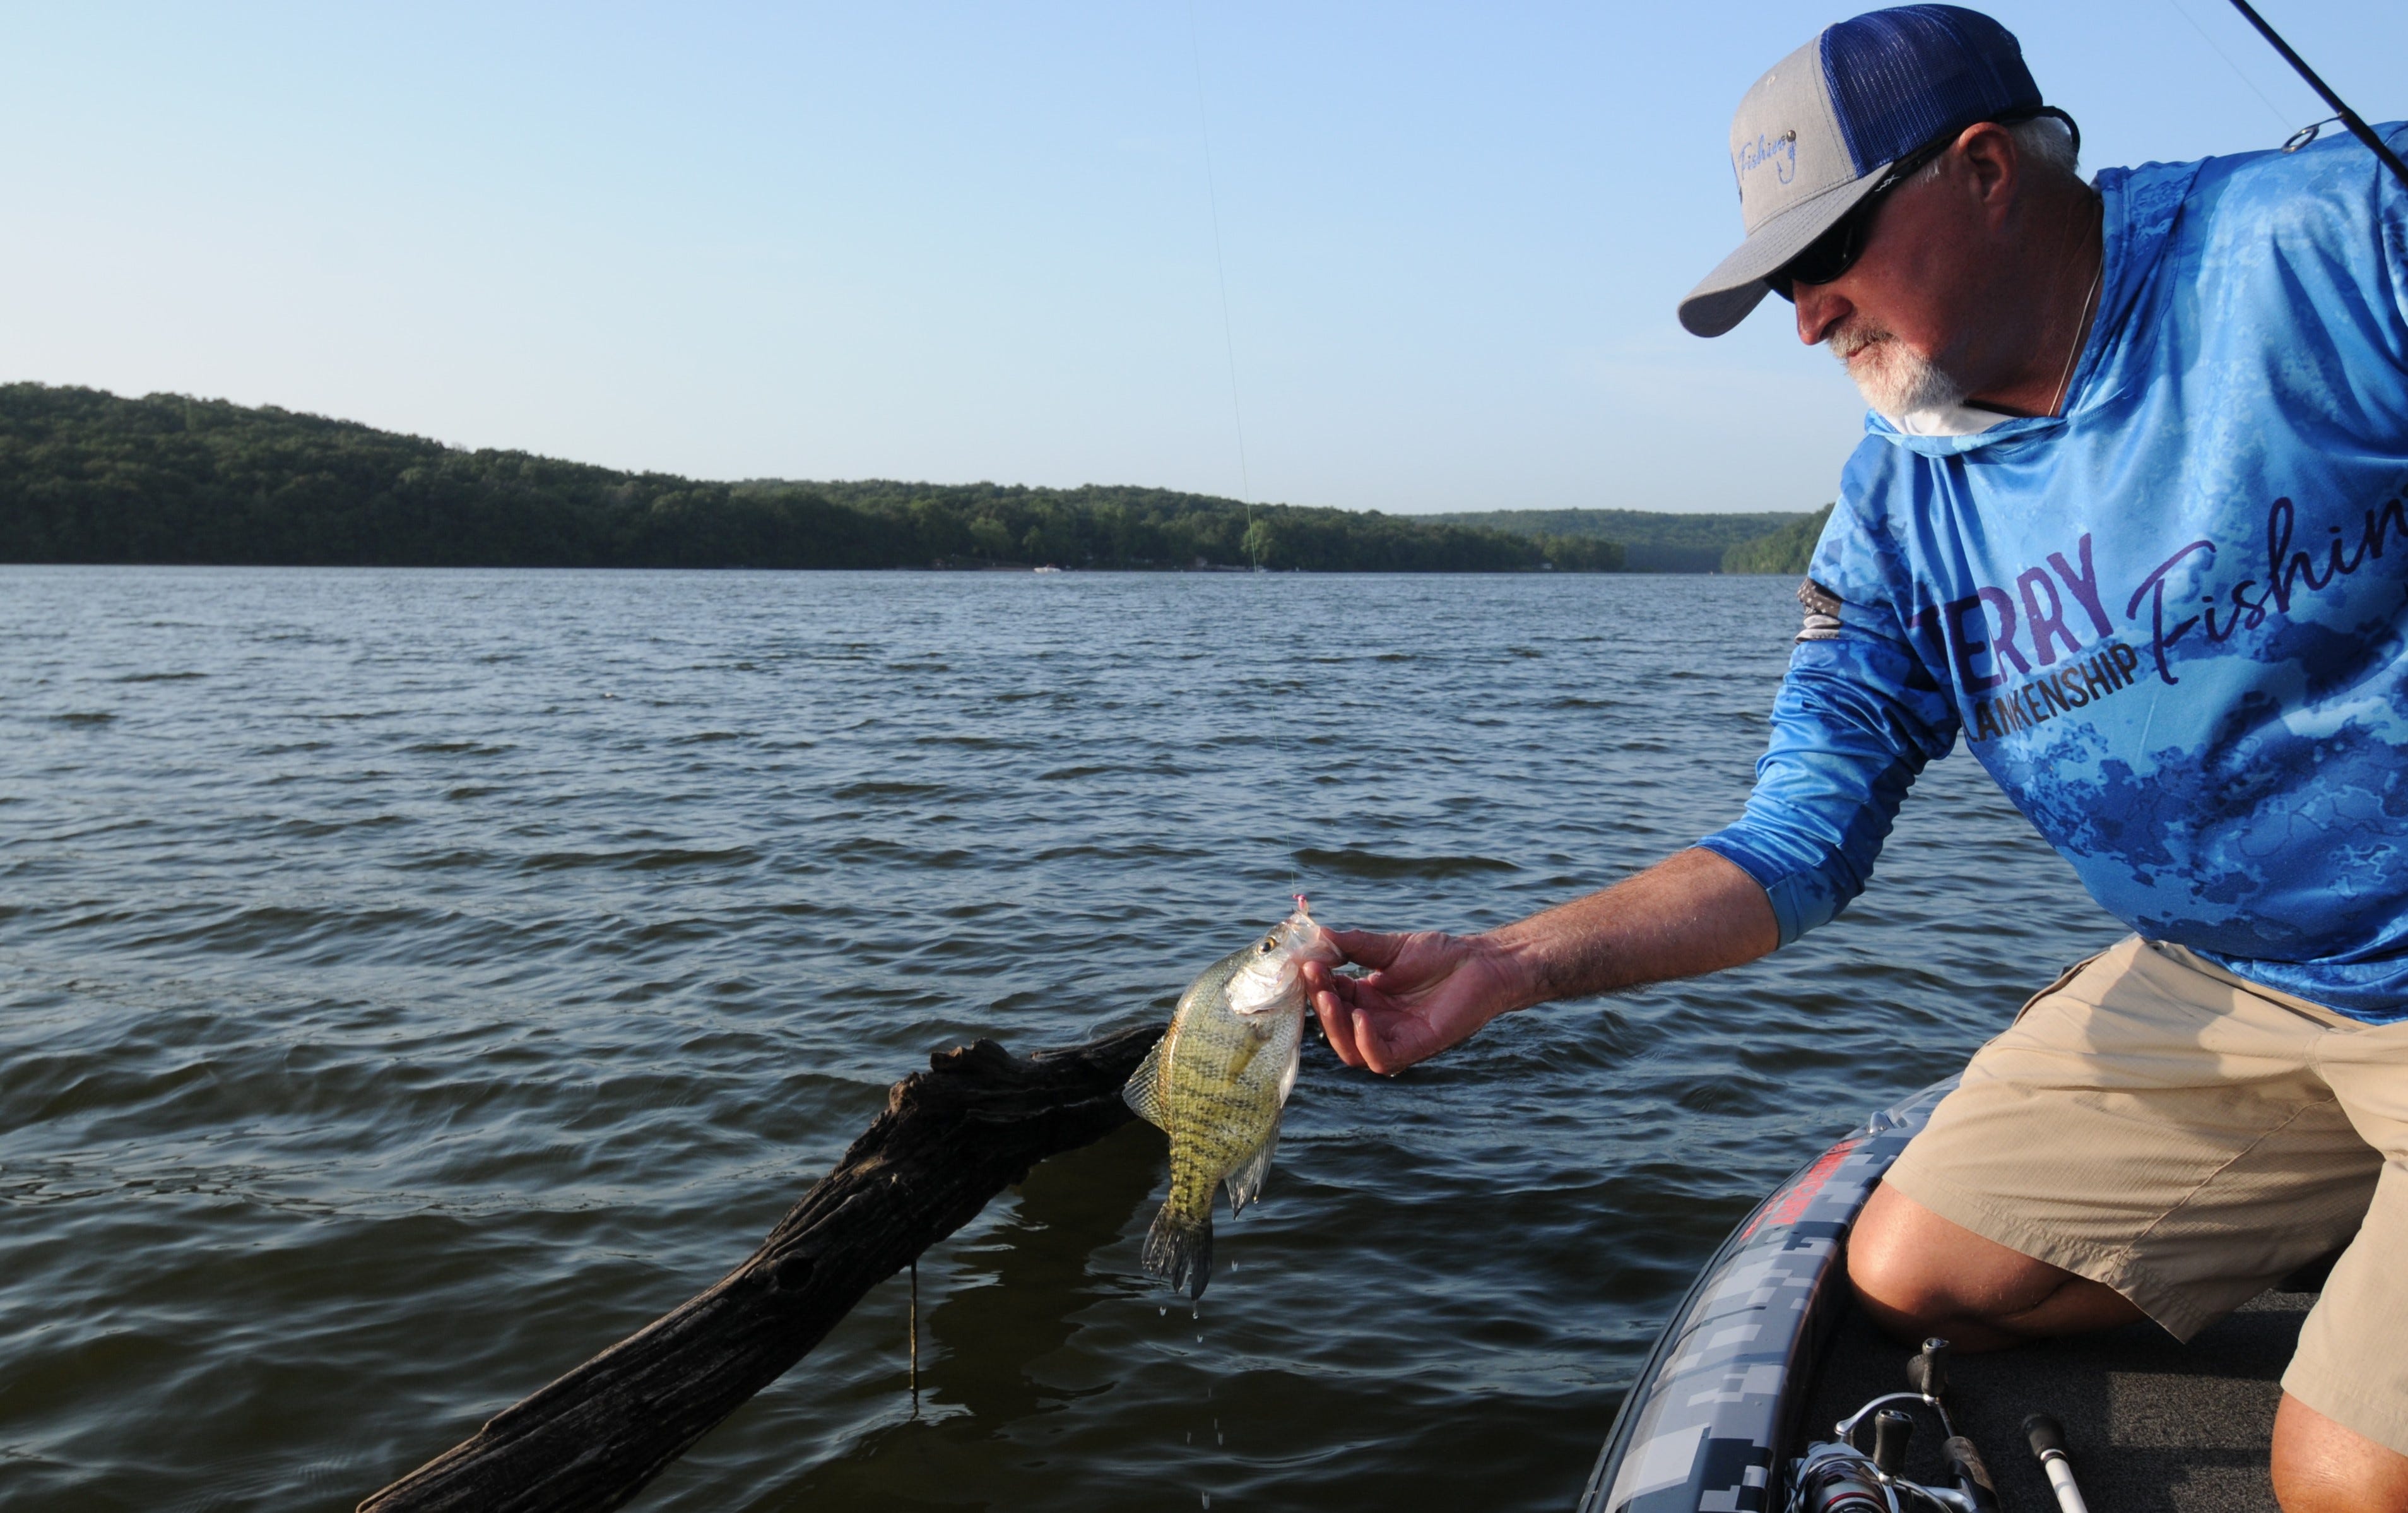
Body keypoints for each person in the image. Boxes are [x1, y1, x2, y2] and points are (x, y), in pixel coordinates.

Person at [1301, 8, 2408, 1509]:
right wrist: (1509, 961)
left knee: (2343, 1477)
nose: (1807, 317)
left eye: (1827, 258)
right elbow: (1795, 842)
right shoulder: (1896, 514)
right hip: (2234, 978)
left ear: (1984, 172)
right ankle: (2348, 1209)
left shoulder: (2329, 240)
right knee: (1913, 1268)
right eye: (1780, 285)